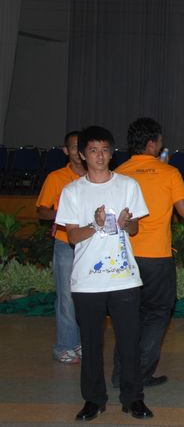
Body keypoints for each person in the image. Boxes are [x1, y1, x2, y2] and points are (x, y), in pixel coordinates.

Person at [55, 126, 152, 421]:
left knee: (129, 343)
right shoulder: (72, 191)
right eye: (93, 150)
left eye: (105, 150)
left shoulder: (128, 185)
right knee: (91, 344)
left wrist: (125, 222)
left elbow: (135, 228)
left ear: (112, 153)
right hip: (87, 280)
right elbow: (72, 237)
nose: (100, 156)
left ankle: (133, 398)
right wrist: (96, 225)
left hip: (124, 278)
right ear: (83, 155)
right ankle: (93, 400)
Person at [113, 118, 184, 388]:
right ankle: (141, 373)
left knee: (127, 317)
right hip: (156, 257)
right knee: (156, 315)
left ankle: (120, 374)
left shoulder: (118, 173)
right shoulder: (168, 173)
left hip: (123, 256)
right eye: (159, 140)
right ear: (152, 143)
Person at [36, 130, 86, 364]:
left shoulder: (97, 177)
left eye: (82, 147)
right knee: (66, 296)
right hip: (66, 243)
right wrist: (63, 214)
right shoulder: (56, 177)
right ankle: (65, 345)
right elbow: (42, 211)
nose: (78, 152)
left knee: (87, 297)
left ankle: (81, 343)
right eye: (73, 147)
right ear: (66, 151)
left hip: (91, 244)